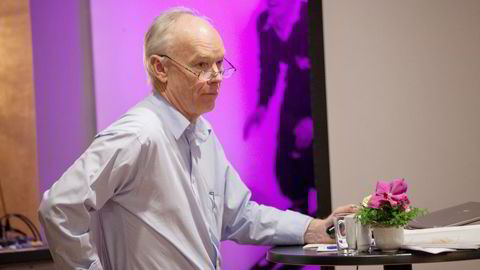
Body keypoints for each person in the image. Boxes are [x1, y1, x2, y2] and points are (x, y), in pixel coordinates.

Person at [38, 7, 356, 270]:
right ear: (159, 68)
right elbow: (59, 208)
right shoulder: (138, 134)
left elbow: (241, 215)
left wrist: (312, 228)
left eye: (219, 64)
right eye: (202, 65)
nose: (217, 77)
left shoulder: (201, 132)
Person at [244, 0, 314, 216]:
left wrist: (315, 119)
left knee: (314, 160)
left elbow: (329, 70)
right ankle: (300, 211)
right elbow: (269, 66)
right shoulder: (265, 22)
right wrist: (262, 106)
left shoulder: (310, 16)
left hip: (319, 95)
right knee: (285, 164)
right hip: (293, 91)